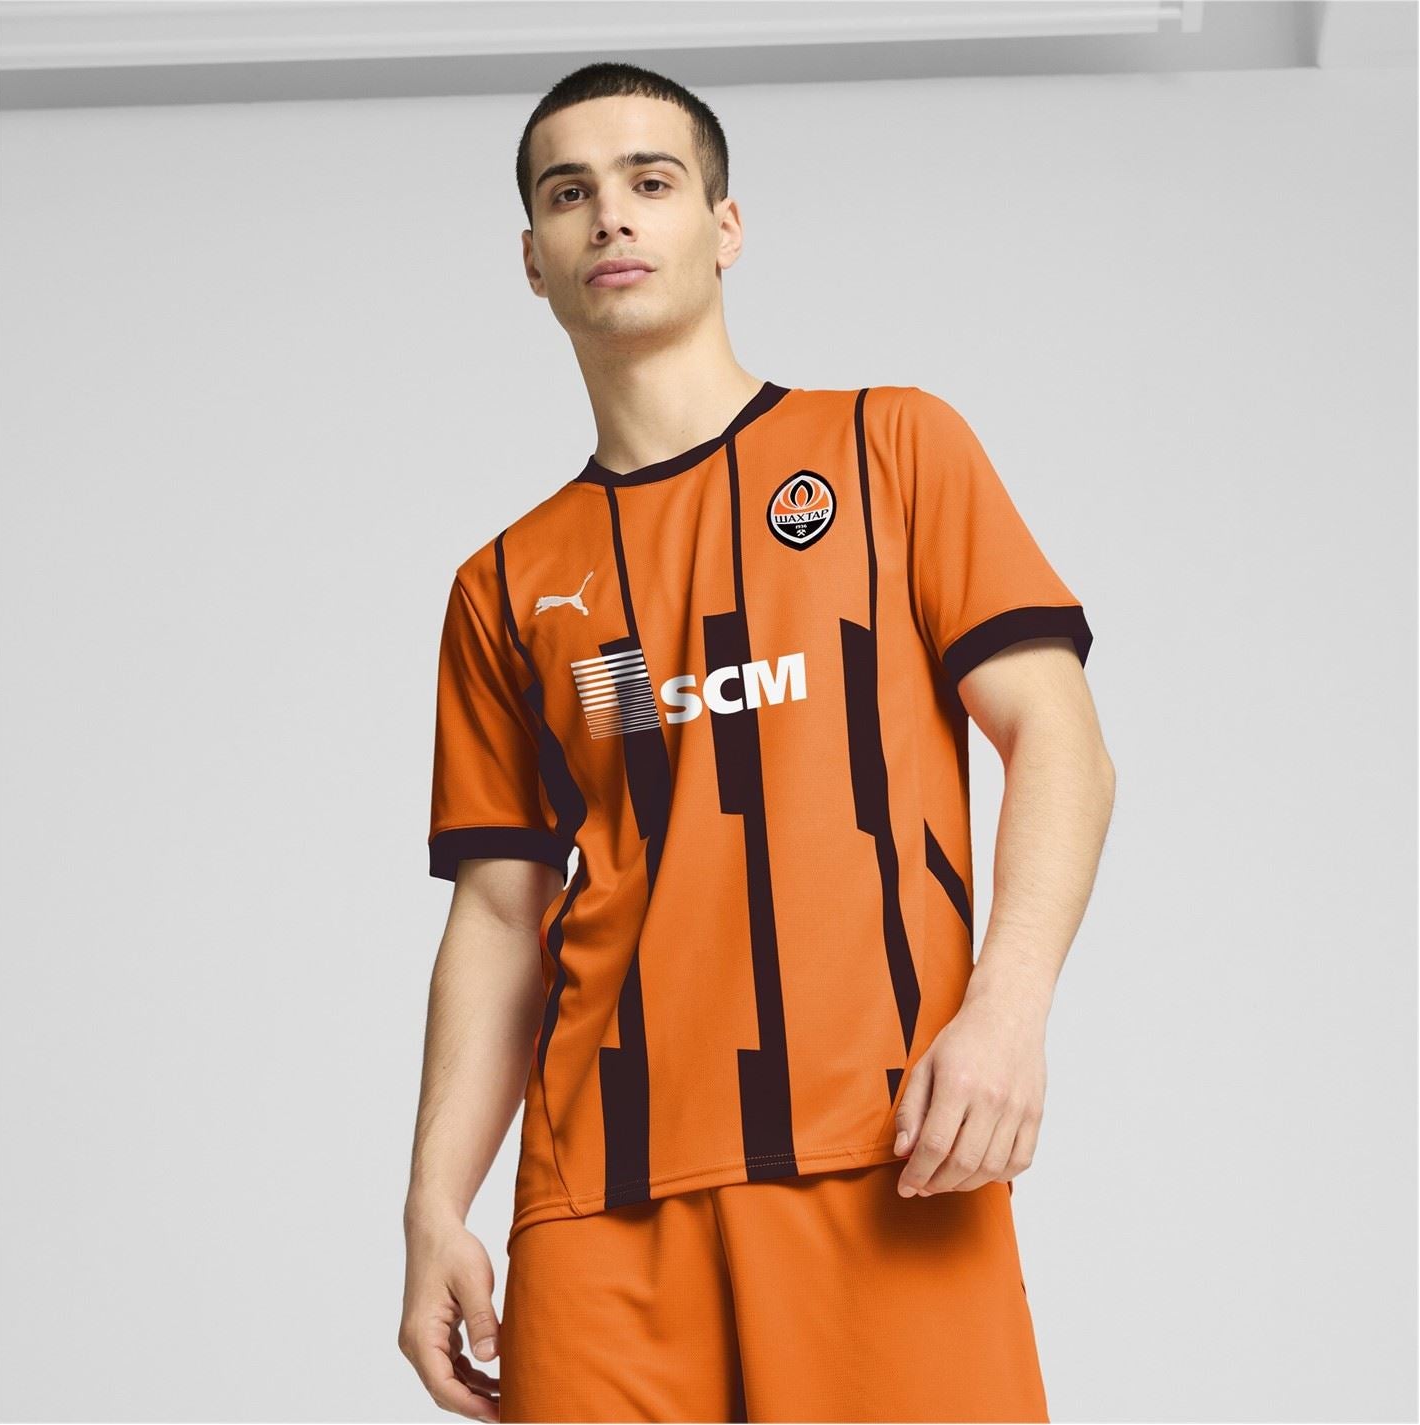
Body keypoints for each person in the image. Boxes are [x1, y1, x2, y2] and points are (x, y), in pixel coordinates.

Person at [399, 59, 1114, 1425]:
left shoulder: (890, 447)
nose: (611, 215)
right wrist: (435, 1205)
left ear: (723, 226)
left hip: (880, 1151)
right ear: (534, 258)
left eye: (650, 181)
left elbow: (1060, 740)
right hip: (597, 1195)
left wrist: (1008, 1012)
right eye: (569, 193)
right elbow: (499, 910)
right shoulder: (507, 583)